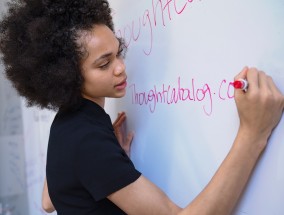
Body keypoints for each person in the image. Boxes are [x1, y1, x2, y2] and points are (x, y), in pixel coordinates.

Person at [0, 0, 283, 214]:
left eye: (118, 52)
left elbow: (48, 202)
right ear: (66, 75)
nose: (121, 68)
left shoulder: (66, 123)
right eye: (104, 63)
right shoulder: (86, 138)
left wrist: (107, 169)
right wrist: (253, 133)